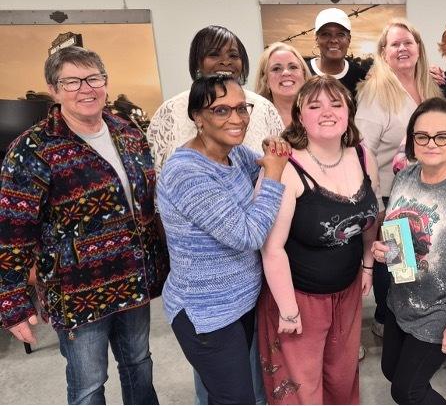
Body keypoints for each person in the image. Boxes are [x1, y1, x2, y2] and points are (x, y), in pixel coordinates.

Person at [0, 46, 169, 404]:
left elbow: (146, 205)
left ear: (105, 82)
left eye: (93, 78)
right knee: (89, 385)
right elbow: (13, 231)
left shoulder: (127, 132)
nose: (86, 89)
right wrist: (12, 301)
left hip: (132, 281)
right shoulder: (32, 149)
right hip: (77, 293)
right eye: (72, 82)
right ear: (54, 90)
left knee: (139, 364)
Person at [146, 24, 277, 405]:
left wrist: (275, 157)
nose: (237, 118)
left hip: (242, 299)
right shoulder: (186, 172)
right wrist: (275, 176)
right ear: (198, 117)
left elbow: (263, 163)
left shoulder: (233, 153)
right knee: (235, 399)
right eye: (221, 110)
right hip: (207, 312)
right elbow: (248, 235)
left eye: (241, 108)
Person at [258, 76, 379, 404]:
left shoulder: (362, 155)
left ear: (348, 112)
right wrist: (288, 310)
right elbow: (271, 248)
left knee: (342, 378)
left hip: (348, 293)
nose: (327, 112)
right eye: (315, 106)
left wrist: (368, 265)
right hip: (300, 298)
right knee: (302, 389)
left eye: (336, 104)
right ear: (300, 116)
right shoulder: (287, 166)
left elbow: (371, 217)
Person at [371, 97, 446, 404]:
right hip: (401, 299)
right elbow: (399, 232)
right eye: (422, 136)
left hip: (439, 309)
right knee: (390, 371)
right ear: (412, 140)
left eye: (442, 136)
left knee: (407, 390)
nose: (431, 144)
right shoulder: (405, 176)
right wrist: (387, 251)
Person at [355, 18, 440, 339]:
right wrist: (376, 203)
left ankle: (408, 315)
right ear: (383, 52)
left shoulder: (429, 88)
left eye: (408, 42)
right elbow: (363, 150)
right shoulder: (376, 92)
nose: (402, 49)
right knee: (395, 263)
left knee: (416, 262)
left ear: (419, 48)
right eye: (395, 44)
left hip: (427, 194)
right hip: (391, 196)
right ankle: (386, 319)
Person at [147, 25, 283, 175]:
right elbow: (155, 173)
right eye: (214, 54)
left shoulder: (265, 108)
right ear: (197, 62)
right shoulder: (170, 111)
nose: (226, 62)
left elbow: (276, 165)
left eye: (233, 56)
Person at [306, 7, 368, 98]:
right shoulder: (303, 72)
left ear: (349, 39)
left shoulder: (361, 78)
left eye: (340, 34)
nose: (334, 40)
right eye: (325, 34)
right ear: (316, 39)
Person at [255, 42, 312, 128]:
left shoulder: (321, 114)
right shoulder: (253, 119)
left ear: (303, 75)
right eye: (276, 69)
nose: (286, 73)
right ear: (265, 80)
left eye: (293, 67)